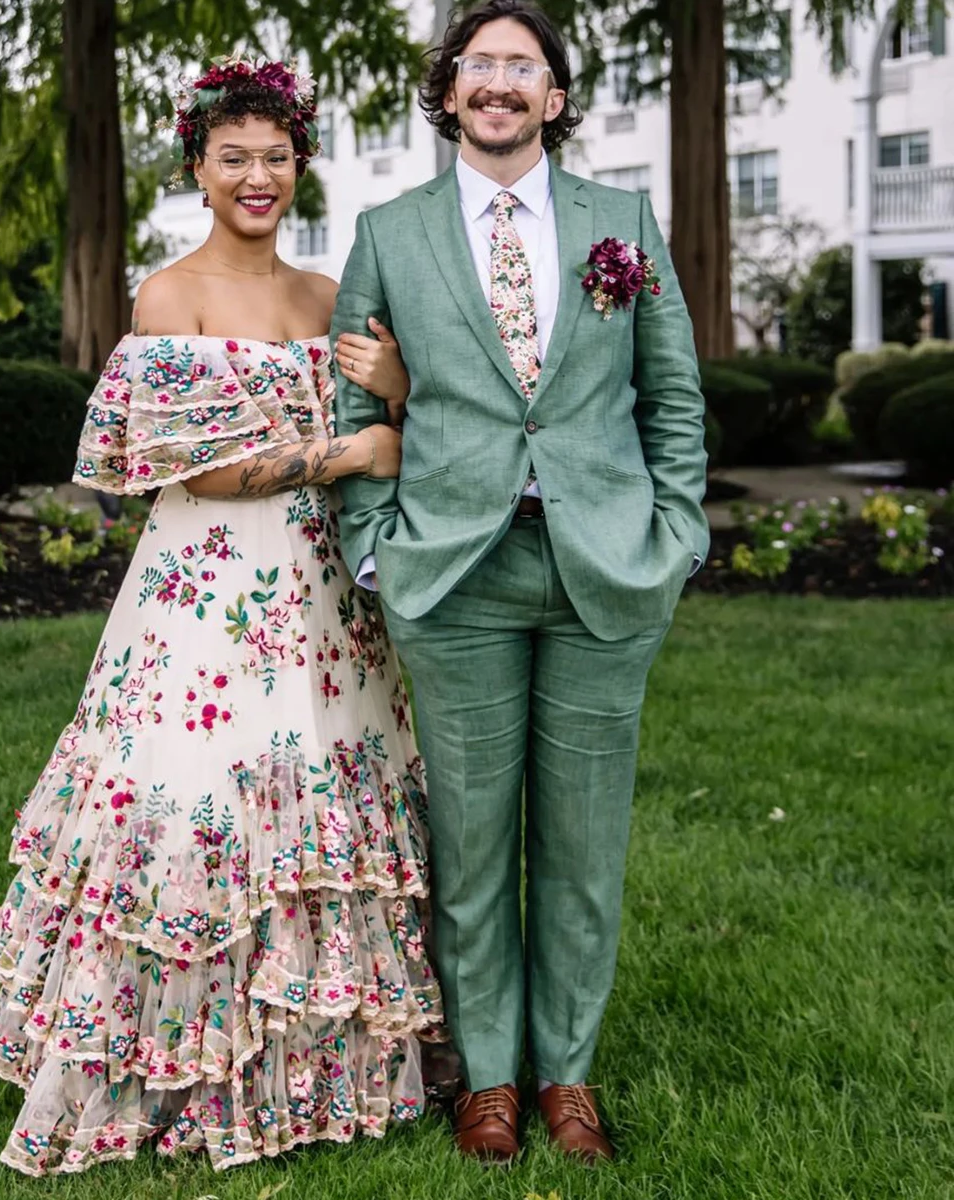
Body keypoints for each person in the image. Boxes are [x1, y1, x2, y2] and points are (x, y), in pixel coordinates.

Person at [0, 55, 443, 1177]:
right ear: (199, 167)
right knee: (189, 794)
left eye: (276, 158)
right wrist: (356, 447)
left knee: (332, 789)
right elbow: (201, 469)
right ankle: (167, 1055)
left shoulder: (330, 301)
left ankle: (330, 1053)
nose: (257, 176)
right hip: (208, 600)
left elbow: (406, 424)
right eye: (234, 157)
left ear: (299, 168)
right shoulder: (167, 296)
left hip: (323, 599)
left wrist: (405, 400)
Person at [333, 0, 709, 1165]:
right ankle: (486, 1078)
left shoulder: (623, 220)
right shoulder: (391, 232)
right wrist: (373, 547)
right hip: (454, 575)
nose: (499, 83)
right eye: (479, 65)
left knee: (585, 849)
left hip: (606, 566)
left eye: (523, 68)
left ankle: (567, 1077)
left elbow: (675, 396)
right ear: (449, 92)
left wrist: (677, 532)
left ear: (553, 97)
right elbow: (353, 406)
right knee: (475, 844)